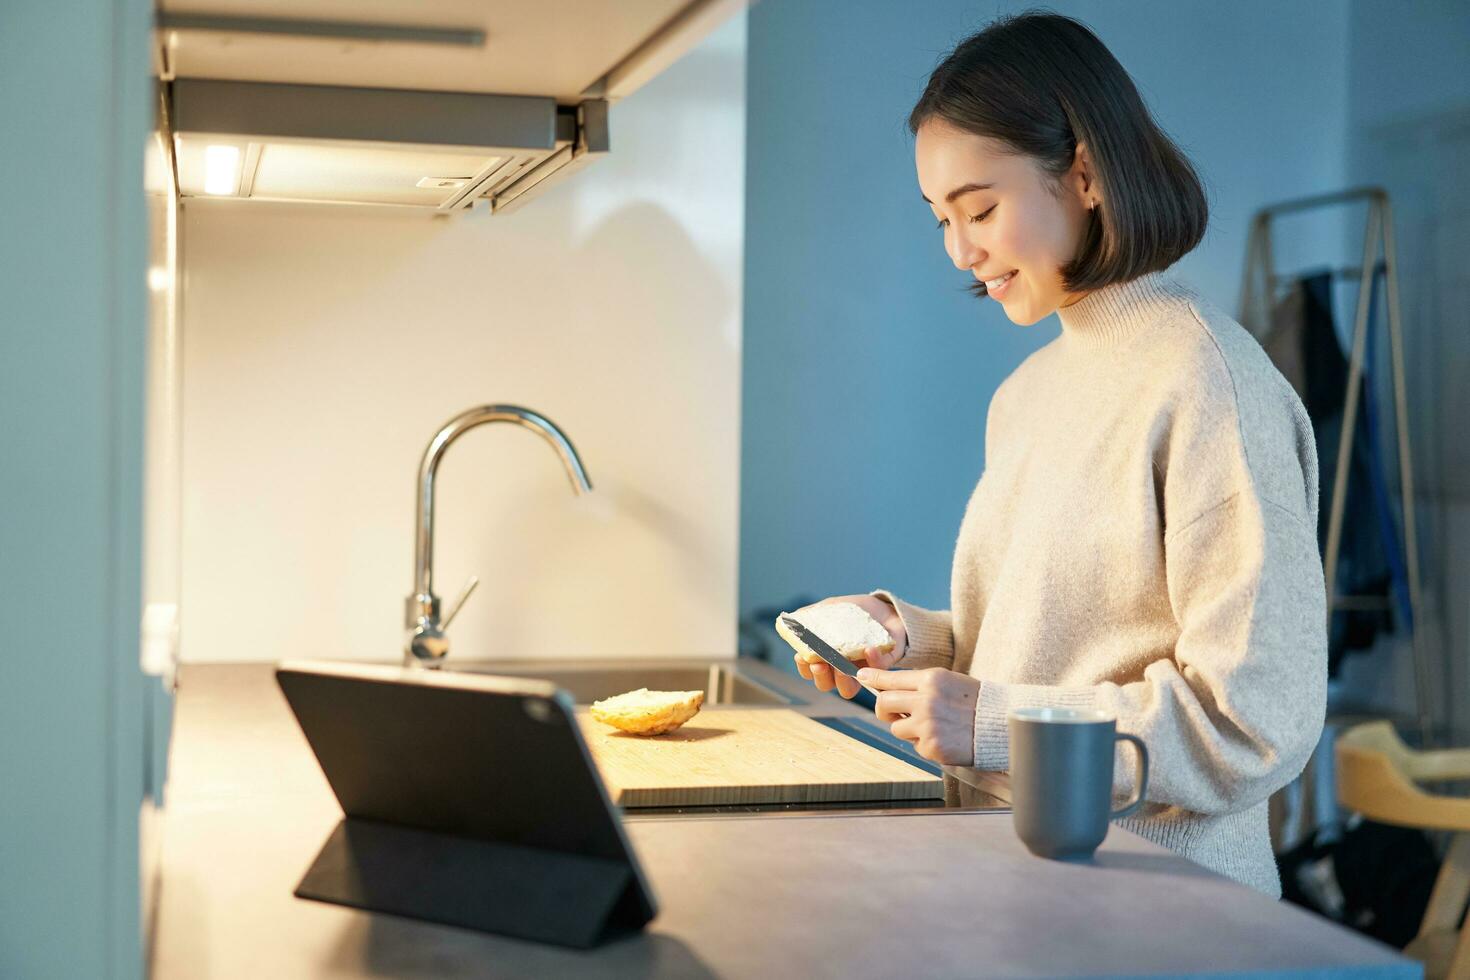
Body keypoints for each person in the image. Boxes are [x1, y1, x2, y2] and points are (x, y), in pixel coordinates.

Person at [792, 11, 1326, 898]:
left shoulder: (1210, 381)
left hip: (1165, 921)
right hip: (1018, 894)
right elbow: (1049, 644)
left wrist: (993, 722)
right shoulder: (1028, 393)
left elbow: (1253, 722)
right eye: (941, 220)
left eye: (981, 208)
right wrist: (906, 640)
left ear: (1082, 173)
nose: (962, 250)